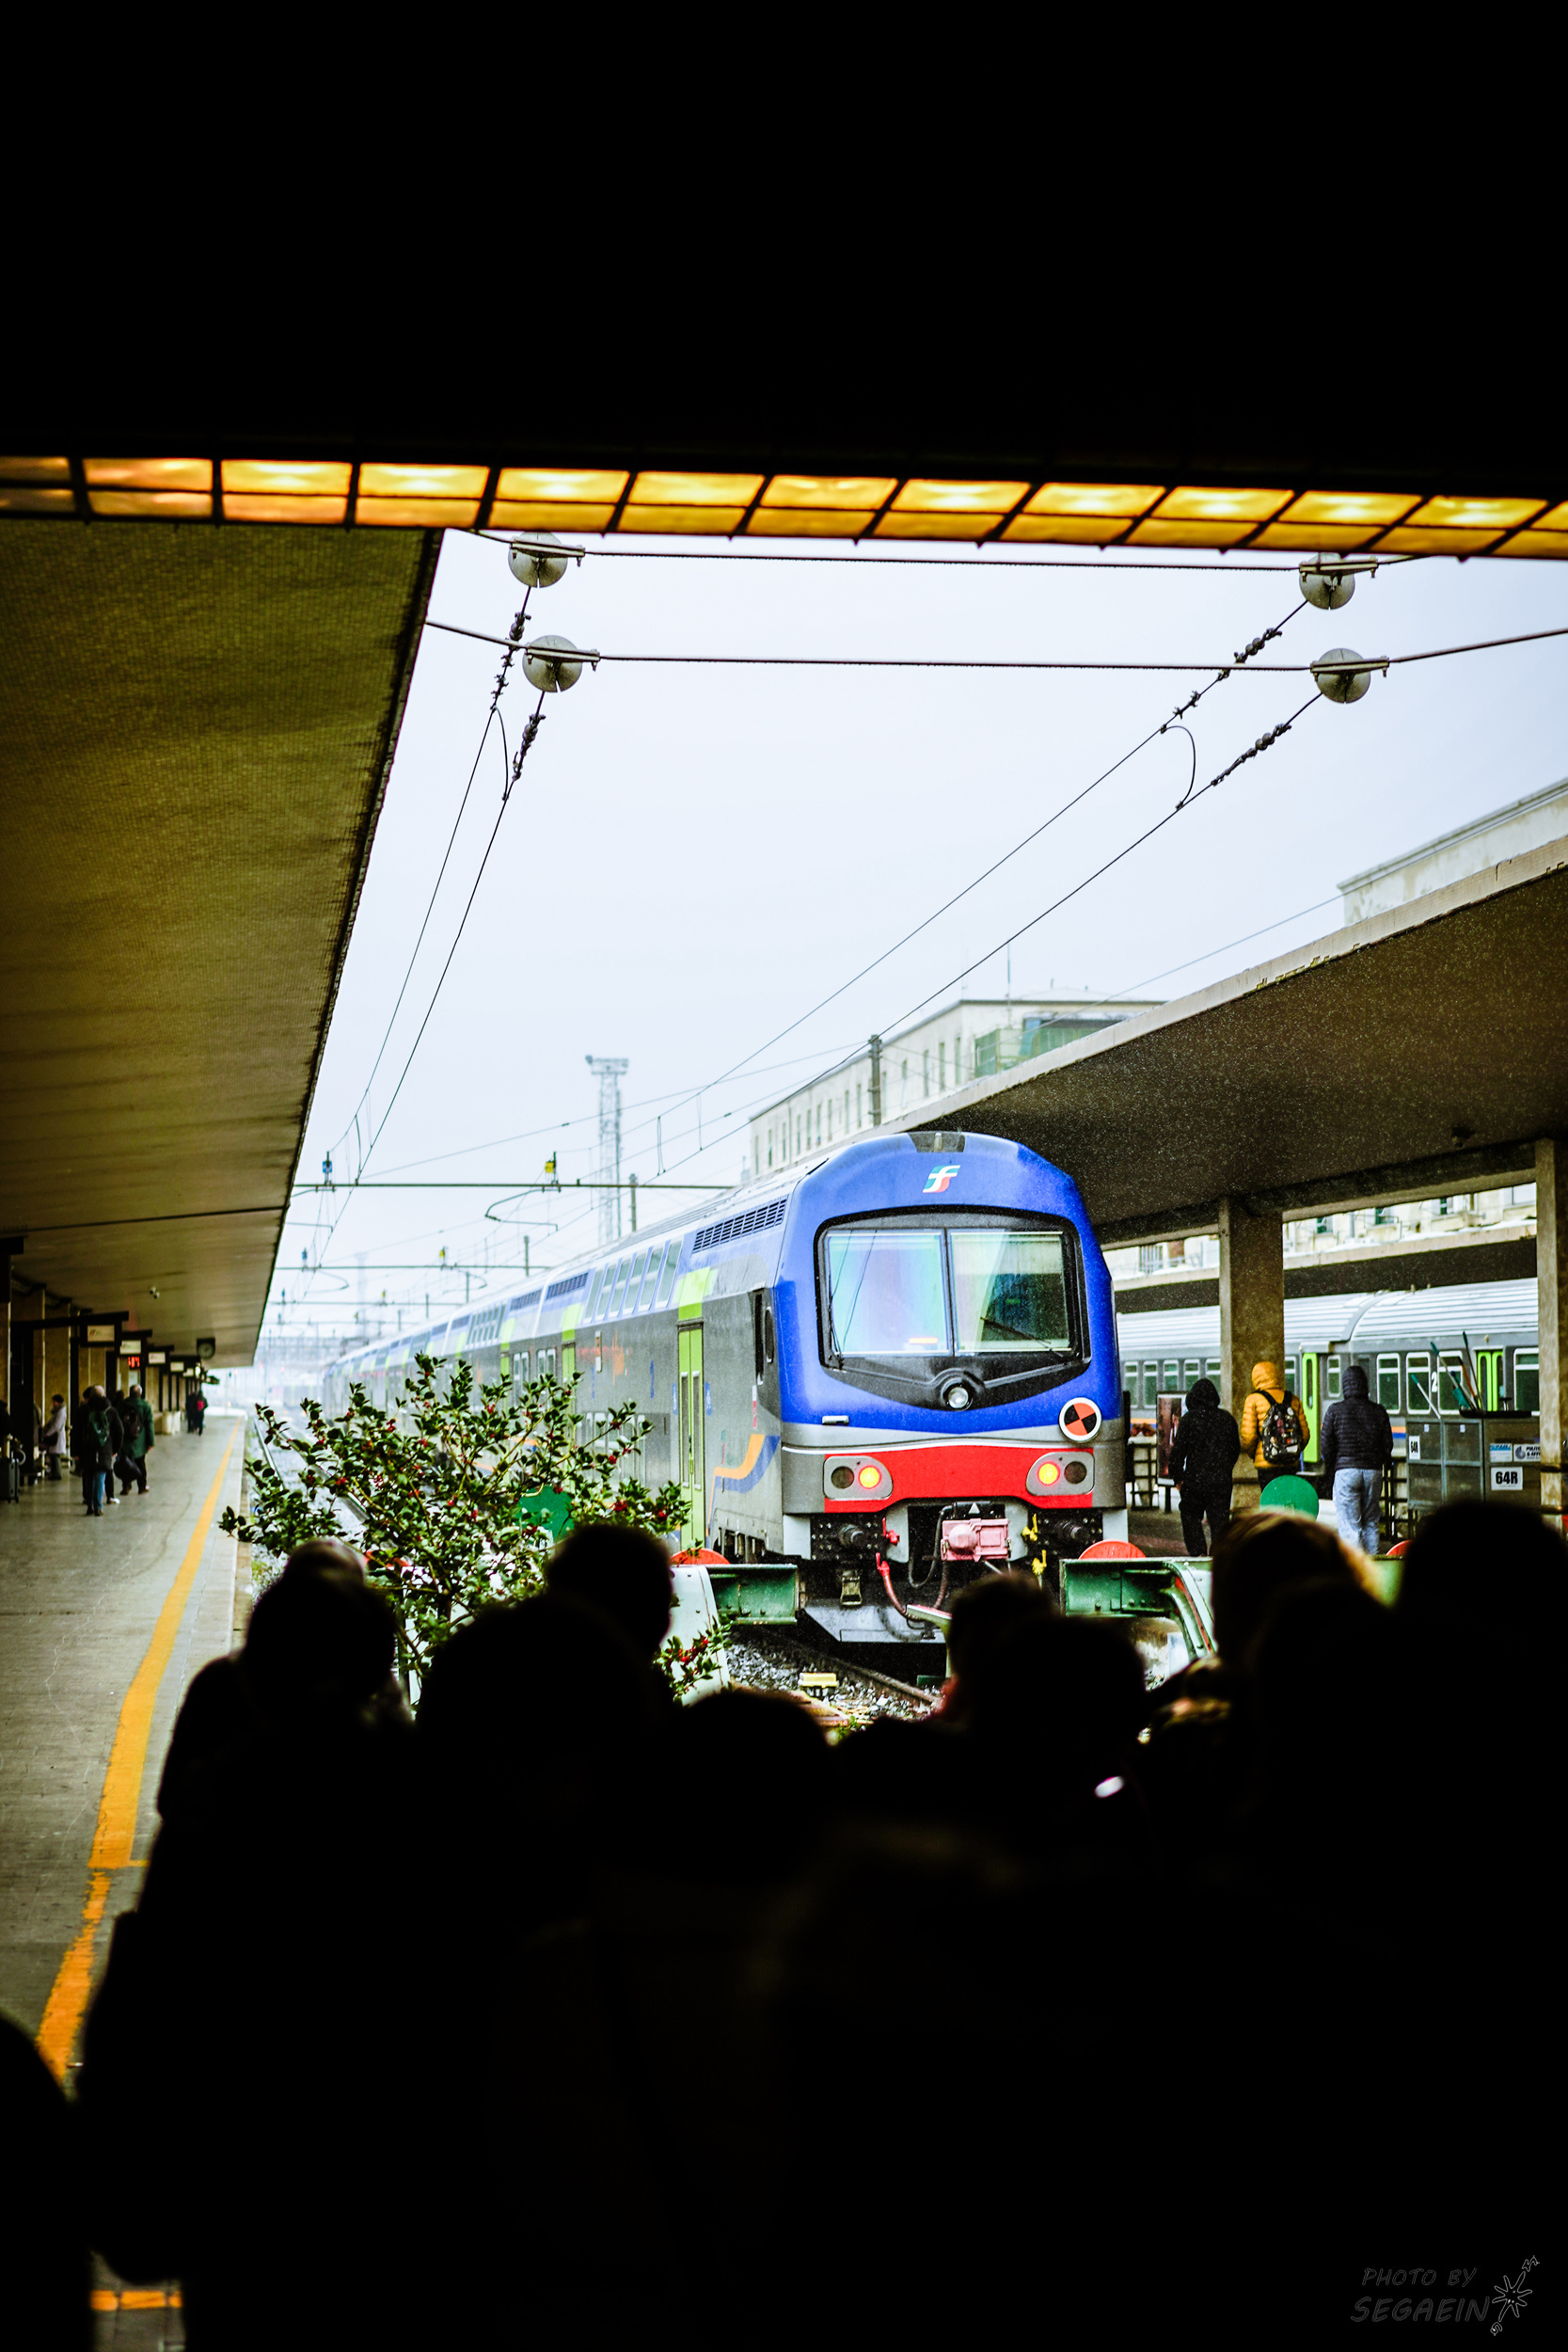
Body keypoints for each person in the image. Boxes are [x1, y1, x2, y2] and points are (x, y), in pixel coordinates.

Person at [1318, 1363, 1392, 1553]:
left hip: (1346, 1471)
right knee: (1371, 1522)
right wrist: (1377, 1462)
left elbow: (1326, 1446)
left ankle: (1356, 1567)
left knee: (1351, 1527)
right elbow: (1388, 1446)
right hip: (1373, 1472)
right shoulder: (1379, 1411)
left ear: (1345, 1386)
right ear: (1365, 1385)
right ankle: (1374, 1564)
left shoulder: (1335, 1410)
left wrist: (1335, 1465)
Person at [1167, 1375, 1241, 1555]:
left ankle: (1198, 1552)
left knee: (1190, 1516)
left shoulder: (1189, 1420)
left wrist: (1178, 1478)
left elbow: (1178, 1453)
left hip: (1195, 1481)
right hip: (1221, 1482)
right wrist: (1224, 1469)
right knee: (1220, 1521)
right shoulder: (1227, 1419)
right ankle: (1218, 1555)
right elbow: (1235, 1450)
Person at [1237, 1359, 1308, 1494]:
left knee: (1270, 1499)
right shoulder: (1293, 1399)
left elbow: (1249, 1436)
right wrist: (1292, 1450)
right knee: (1287, 1499)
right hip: (1290, 1463)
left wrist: (1256, 1454)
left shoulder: (1253, 1400)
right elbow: (1304, 1435)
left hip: (1266, 1464)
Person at [78, 1388, 115, 1516]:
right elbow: (119, 1430)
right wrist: (114, 1449)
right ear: (103, 1395)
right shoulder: (110, 1410)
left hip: (86, 1448)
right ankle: (98, 1506)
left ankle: (89, 1505)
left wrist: (75, 1452)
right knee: (100, 1476)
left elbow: (76, 1432)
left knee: (88, 1476)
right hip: (104, 1449)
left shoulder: (83, 1411)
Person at [117, 1383, 155, 1496]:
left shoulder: (122, 1405)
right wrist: (151, 1442)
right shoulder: (145, 1405)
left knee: (126, 1464)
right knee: (140, 1463)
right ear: (140, 1394)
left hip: (125, 1441)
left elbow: (117, 1423)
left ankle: (126, 1486)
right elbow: (149, 1424)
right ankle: (142, 1486)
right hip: (140, 1440)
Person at [40, 1393, 67, 1482]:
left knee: (55, 1455)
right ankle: (54, 1473)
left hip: (56, 1436)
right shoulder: (58, 1412)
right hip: (55, 1435)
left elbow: (56, 1425)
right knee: (53, 1455)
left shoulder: (61, 1412)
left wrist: (48, 1434)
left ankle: (57, 1473)